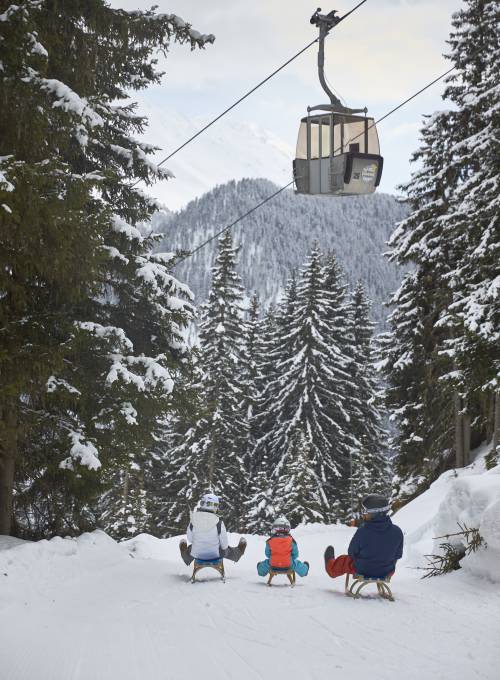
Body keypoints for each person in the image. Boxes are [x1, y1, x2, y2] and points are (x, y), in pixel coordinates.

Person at [324, 494, 403, 580]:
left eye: (365, 511)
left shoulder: (363, 531)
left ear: (375, 513)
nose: (363, 514)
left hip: (363, 570)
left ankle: (330, 566)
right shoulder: (397, 531)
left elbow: (351, 552)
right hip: (387, 572)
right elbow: (398, 555)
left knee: (344, 561)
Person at [179, 493, 246, 565]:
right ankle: (237, 553)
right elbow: (224, 545)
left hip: (197, 554)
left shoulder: (193, 520)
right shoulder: (219, 522)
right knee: (226, 550)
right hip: (215, 555)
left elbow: (190, 539)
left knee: (191, 548)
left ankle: (185, 555)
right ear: (214, 506)